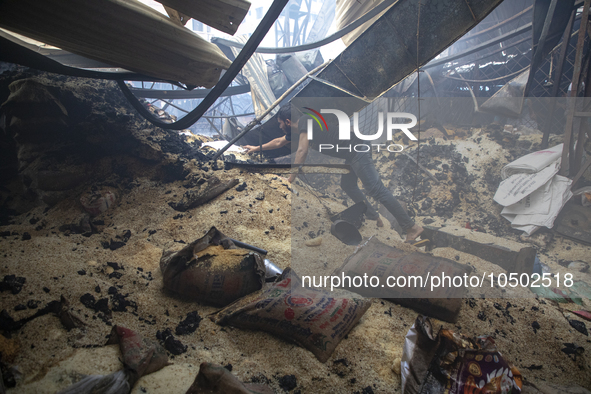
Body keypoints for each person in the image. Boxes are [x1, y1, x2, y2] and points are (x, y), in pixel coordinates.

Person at [244, 103, 423, 243]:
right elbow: (278, 142)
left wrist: (291, 178)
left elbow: (302, 151)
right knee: (347, 185)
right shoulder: (299, 128)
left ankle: (411, 227)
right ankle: (373, 215)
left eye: (280, 123)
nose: (281, 127)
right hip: (351, 153)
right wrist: (255, 148)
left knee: (376, 189)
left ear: (288, 122)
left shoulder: (306, 120)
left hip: (357, 150)